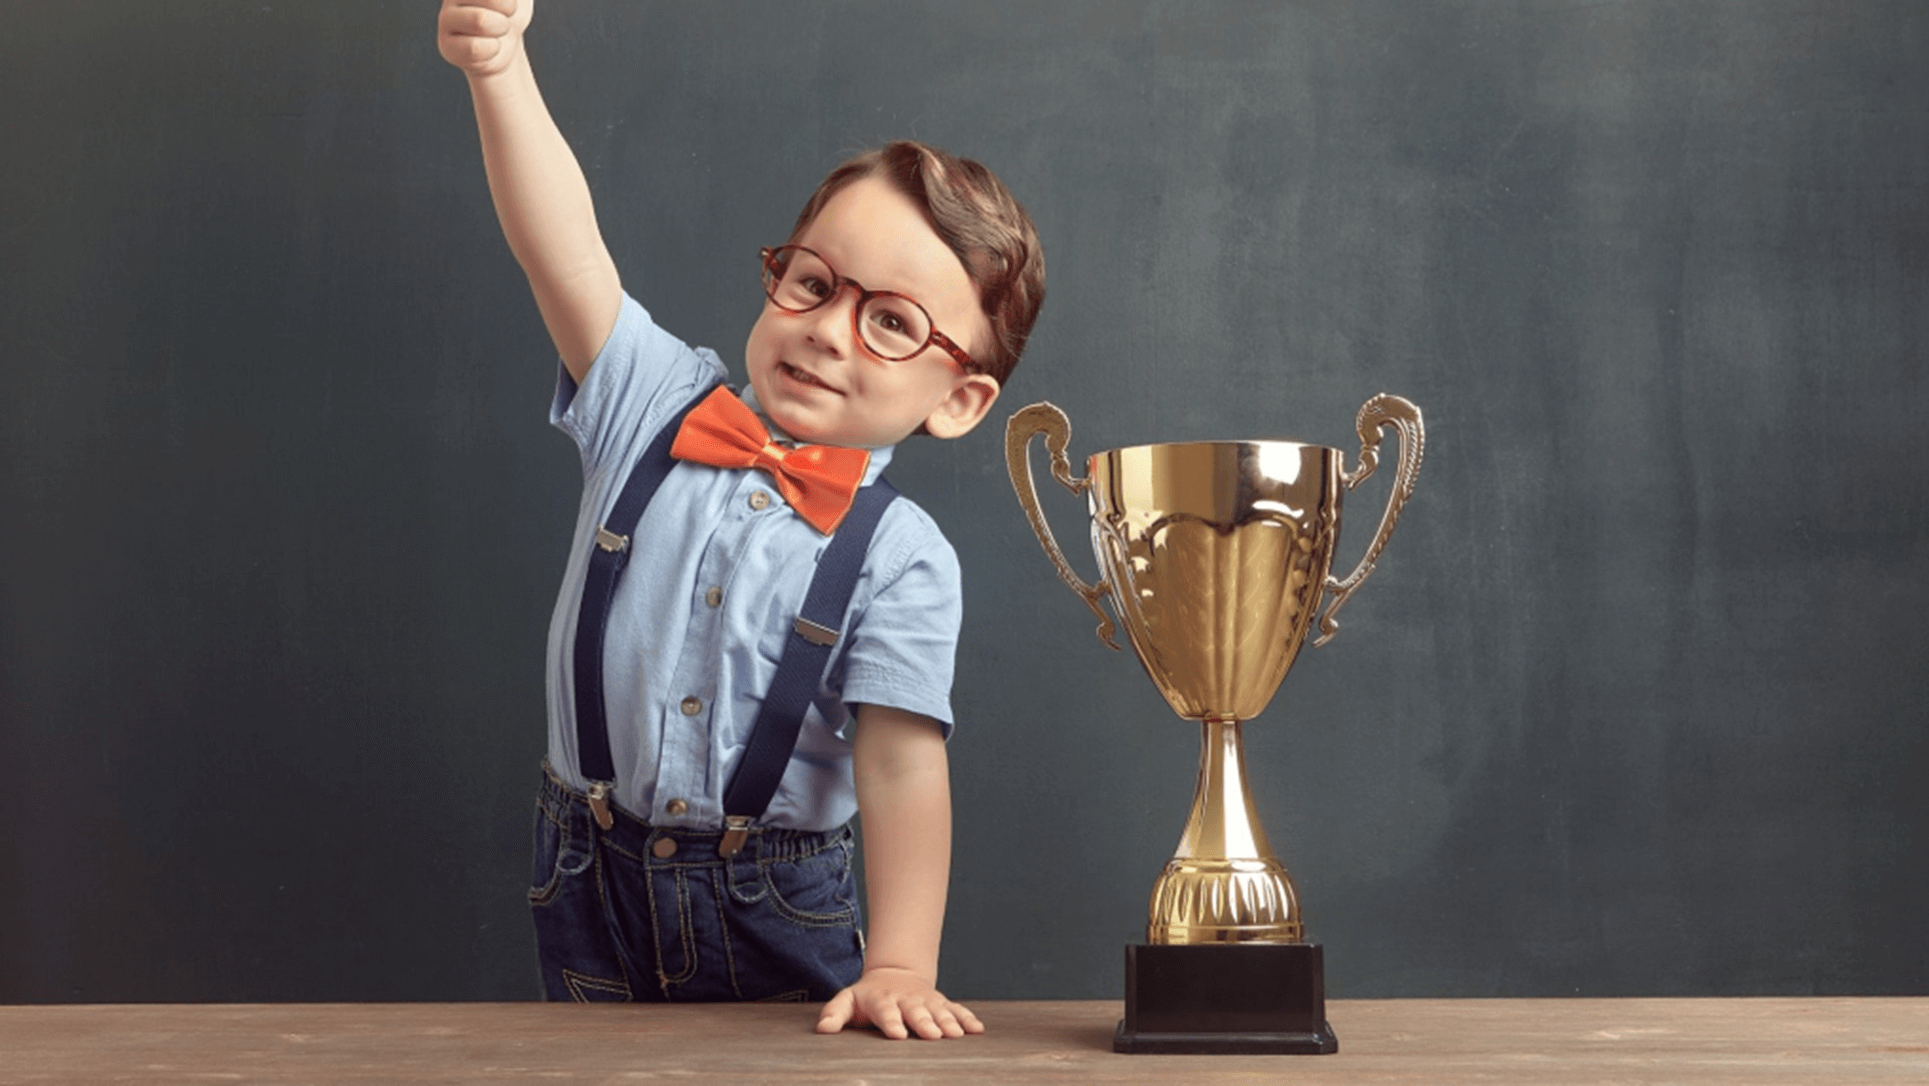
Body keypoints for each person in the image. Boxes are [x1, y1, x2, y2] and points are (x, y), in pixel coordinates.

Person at [436, 0, 1044, 1042]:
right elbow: (565, 253)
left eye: (891, 322)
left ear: (958, 399)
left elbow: (899, 762)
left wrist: (900, 962)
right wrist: (498, 66)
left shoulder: (901, 556)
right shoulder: (653, 408)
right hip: (588, 870)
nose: (827, 331)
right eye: (813, 283)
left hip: (776, 901)